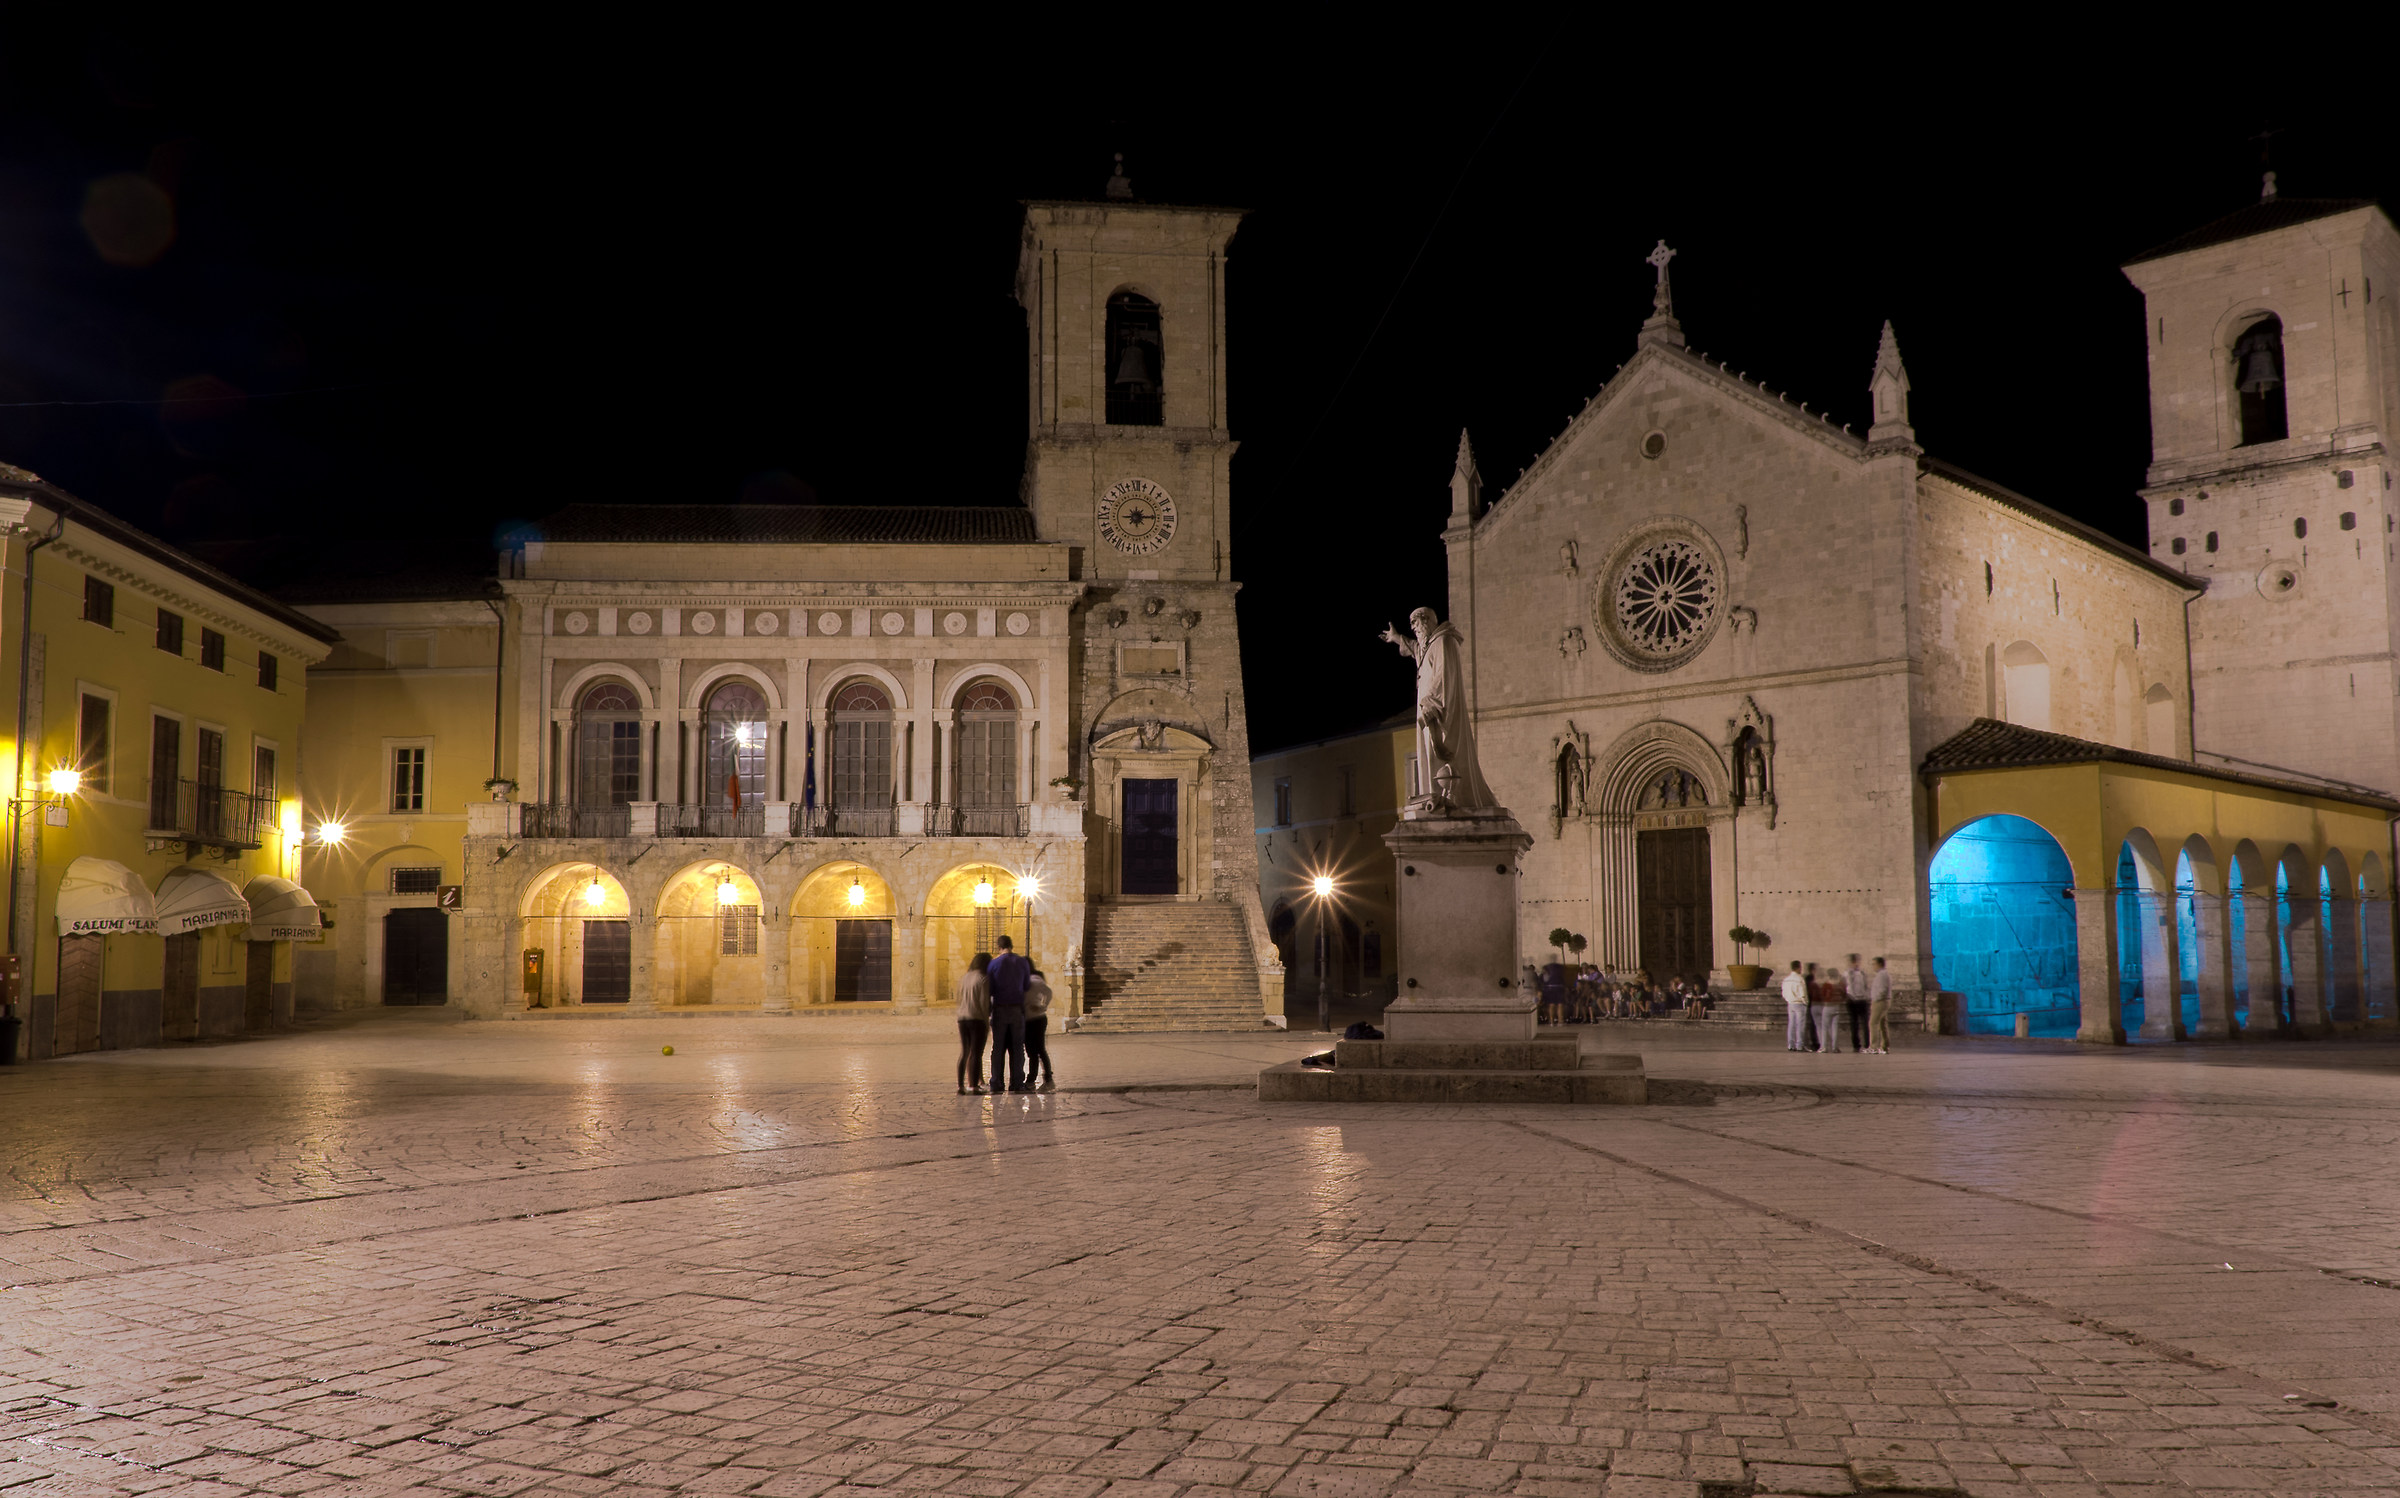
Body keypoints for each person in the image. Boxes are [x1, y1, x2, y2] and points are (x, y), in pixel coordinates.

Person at [987, 934, 1030, 1093]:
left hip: (999, 1008)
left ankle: (996, 1083)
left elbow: (990, 989)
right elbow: (1026, 985)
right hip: (1017, 1009)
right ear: (1011, 946)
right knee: (1017, 1047)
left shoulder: (993, 964)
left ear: (999, 947)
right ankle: (1017, 1083)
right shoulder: (1022, 962)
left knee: (998, 1048)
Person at [955, 953, 992, 1094]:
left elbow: (958, 999)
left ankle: (960, 1086)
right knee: (976, 1053)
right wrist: (986, 1021)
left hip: (962, 1018)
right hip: (976, 1018)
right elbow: (984, 1003)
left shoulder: (964, 978)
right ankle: (973, 1086)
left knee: (964, 1052)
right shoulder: (983, 979)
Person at [1023, 964, 1056, 1092]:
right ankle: (1035, 1080)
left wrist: (1043, 1006)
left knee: (1036, 1051)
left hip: (1034, 1020)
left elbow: (1048, 992)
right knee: (1036, 1051)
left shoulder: (1032, 980)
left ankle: (1041, 1080)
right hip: (1036, 1019)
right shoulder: (1033, 980)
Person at [1811, 962, 1846, 1055]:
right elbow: (1844, 994)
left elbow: (1823, 995)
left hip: (1828, 1006)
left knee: (1825, 1027)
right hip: (1837, 1006)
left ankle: (1824, 1047)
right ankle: (1835, 1047)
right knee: (1834, 1027)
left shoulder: (1827, 985)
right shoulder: (1840, 984)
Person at [1844, 953, 1871, 1053]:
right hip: (1852, 1000)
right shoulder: (1848, 973)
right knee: (1854, 1024)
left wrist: (1866, 996)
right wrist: (1854, 997)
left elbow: (1866, 985)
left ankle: (1868, 1044)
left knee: (1865, 1023)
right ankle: (1856, 1045)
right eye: (1854, 962)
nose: (1856, 964)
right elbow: (1849, 987)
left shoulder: (1862, 973)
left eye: (1857, 961)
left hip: (1862, 1000)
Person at [1781, 960, 1809, 1051]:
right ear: (1798, 967)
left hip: (1790, 1003)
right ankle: (1800, 1045)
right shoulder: (1799, 979)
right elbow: (1802, 993)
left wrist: (1788, 999)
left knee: (1791, 1024)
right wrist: (1805, 1002)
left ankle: (1791, 1044)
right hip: (1799, 1003)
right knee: (1800, 1025)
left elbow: (1784, 992)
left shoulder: (1786, 979)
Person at [1868, 956, 1893, 1054]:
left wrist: (1875, 999)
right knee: (1883, 1024)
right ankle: (1885, 1046)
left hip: (1880, 1001)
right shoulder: (1882, 974)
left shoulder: (1882, 975)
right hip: (1882, 1001)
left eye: (1874, 964)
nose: (1873, 966)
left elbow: (1882, 990)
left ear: (1879, 964)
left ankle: (1874, 1046)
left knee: (1873, 1023)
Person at [1539, 959, 1568, 1026]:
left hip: (1549, 989)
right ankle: (1560, 1021)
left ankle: (1551, 1022)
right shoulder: (1560, 968)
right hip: (1559, 988)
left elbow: (1543, 980)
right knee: (1560, 1005)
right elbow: (1564, 979)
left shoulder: (1547, 969)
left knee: (1551, 1005)